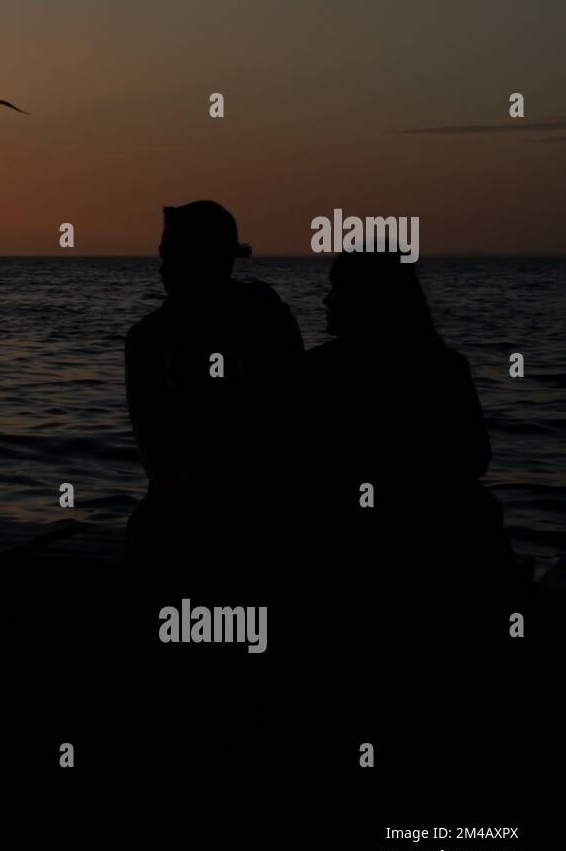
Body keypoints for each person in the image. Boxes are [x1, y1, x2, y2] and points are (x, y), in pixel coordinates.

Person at [299, 252, 513, 587]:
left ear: (367, 299)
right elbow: (474, 459)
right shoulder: (445, 366)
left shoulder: (318, 370)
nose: (327, 300)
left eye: (337, 289)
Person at [124, 201, 304, 571]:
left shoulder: (152, 338)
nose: (164, 266)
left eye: (176, 253)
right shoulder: (266, 314)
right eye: (165, 253)